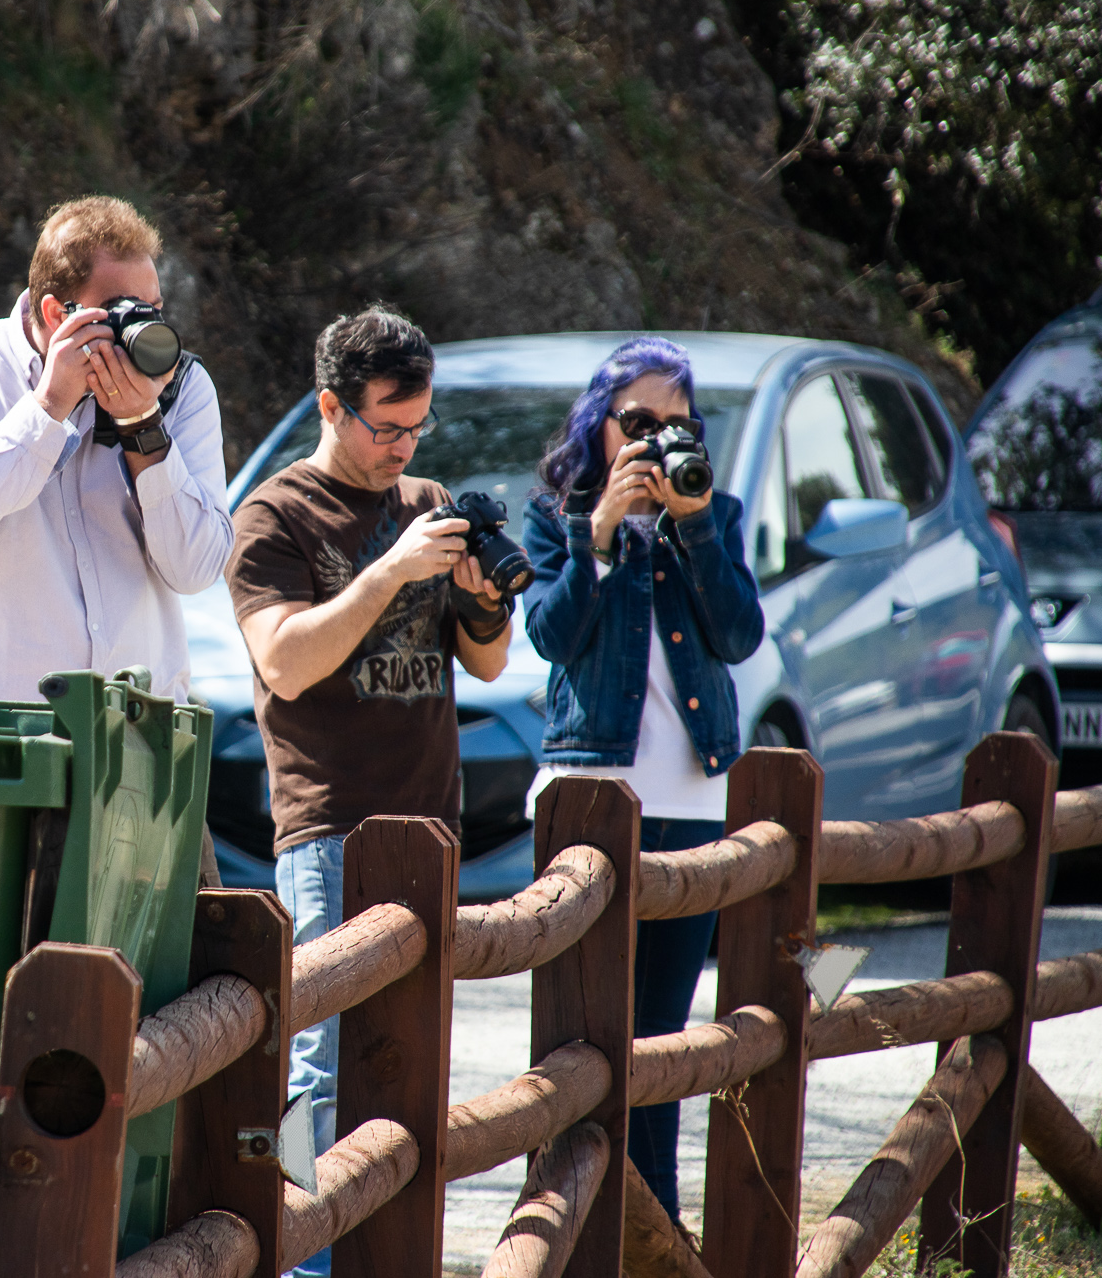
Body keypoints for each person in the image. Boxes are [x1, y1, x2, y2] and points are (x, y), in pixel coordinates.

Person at [227, 307, 512, 1278]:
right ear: (329, 407)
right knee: (320, 1062)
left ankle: (386, 1255)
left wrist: (481, 597)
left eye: (417, 427)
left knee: (409, 1058)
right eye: (385, 426)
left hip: (427, 832)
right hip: (329, 830)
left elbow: (486, 661)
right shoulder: (273, 515)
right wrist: (391, 569)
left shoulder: (426, 500)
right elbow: (284, 661)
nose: (402, 448)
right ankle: (304, 1262)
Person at [520, 334, 765, 1221]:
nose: (657, 439)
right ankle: (574, 1220)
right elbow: (550, 636)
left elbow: (738, 636)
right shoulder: (554, 516)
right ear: (599, 425)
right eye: (637, 421)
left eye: (676, 423)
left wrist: (692, 524)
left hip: (691, 800)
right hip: (590, 795)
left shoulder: (714, 513)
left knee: (659, 1037)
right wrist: (596, 535)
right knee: (584, 1033)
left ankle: (651, 1232)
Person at [0, 196, 231, 702]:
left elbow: (195, 569)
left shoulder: (181, 387)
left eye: (153, 310)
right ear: (57, 313)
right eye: (123, 313)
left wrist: (143, 426)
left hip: (140, 720)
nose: (143, 328)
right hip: (5, 719)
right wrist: (48, 407)